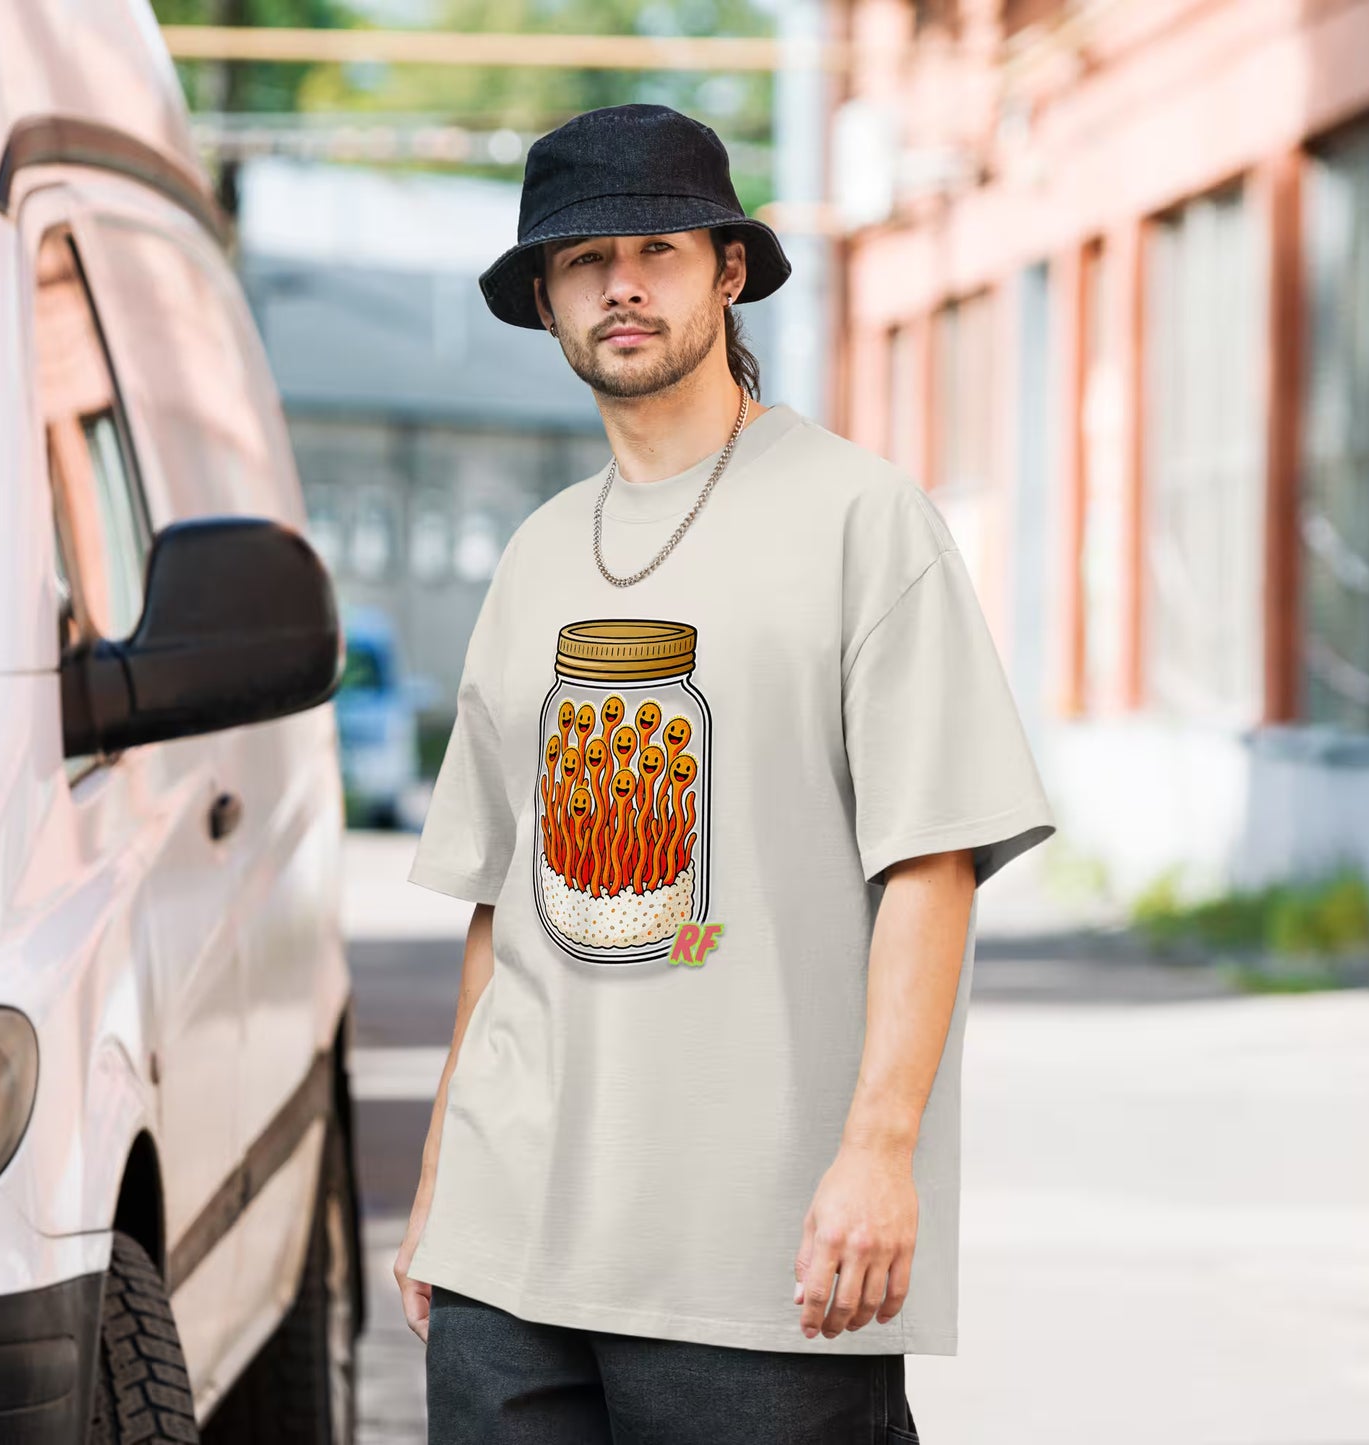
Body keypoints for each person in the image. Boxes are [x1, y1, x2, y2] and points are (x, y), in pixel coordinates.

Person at [394, 102, 1056, 1444]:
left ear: (729, 270)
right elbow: (498, 904)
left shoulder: (859, 518)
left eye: (655, 249)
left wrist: (878, 1151)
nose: (620, 284)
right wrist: (438, 1180)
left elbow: (931, 859)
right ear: (545, 299)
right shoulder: (530, 558)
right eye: (581, 261)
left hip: (757, 1262)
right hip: (507, 1255)